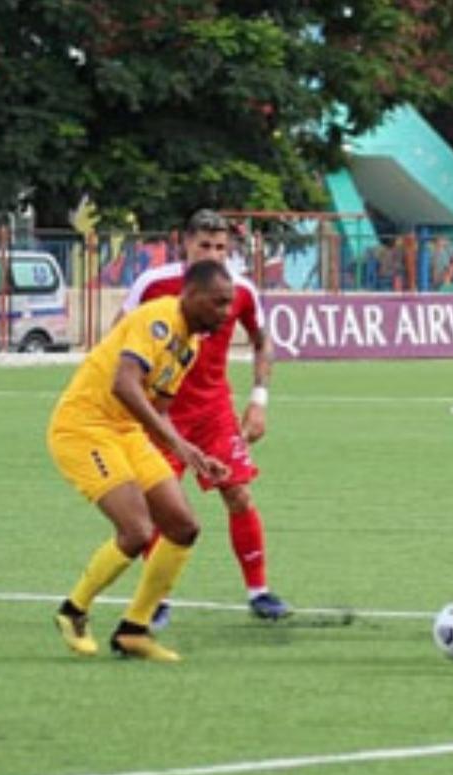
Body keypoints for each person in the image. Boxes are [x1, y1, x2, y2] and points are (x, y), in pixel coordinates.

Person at [48, 259, 236, 662]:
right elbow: (124, 385)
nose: (225, 313)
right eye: (218, 303)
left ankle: (134, 629)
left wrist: (194, 453)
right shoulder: (158, 320)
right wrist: (178, 446)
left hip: (125, 431)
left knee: (183, 527)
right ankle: (73, 611)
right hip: (85, 427)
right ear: (192, 294)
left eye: (229, 304)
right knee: (136, 531)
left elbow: (159, 408)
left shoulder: (191, 343)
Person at [120, 210, 291, 623]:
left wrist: (259, 400)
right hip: (164, 414)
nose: (213, 254)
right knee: (161, 508)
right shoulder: (153, 284)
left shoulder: (241, 289)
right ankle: (155, 600)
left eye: (220, 247)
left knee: (238, 494)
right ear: (184, 244)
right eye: (204, 246)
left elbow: (262, 341)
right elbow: (117, 337)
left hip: (214, 412)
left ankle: (259, 592)